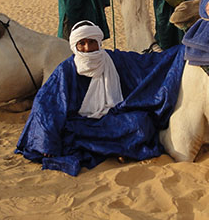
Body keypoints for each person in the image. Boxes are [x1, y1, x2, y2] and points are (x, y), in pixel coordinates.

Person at [15, 20, 186, 176]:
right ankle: (119, 150)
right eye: (82, 44)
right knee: (66, 134)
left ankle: (114, 150)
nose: (88, 48)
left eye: (92, 42)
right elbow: (46, 104)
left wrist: (181, 51)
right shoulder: (66, 70)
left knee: (142, 124)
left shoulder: (114, 60)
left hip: (113, 117)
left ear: (99, 43)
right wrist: (46, 141)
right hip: (82, 123)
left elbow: (146, 64)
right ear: (75, 46)